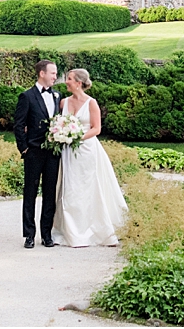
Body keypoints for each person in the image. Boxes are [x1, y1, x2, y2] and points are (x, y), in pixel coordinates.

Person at [51, 68, 128, 247]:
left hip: (87, 151)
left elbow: (96, 128)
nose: (66, 82)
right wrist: (62, 134)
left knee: (89, 187)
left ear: (79, 83)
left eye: (69, 79)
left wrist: (76, 137)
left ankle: (95, 230)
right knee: (70, 188)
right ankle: (71, 231)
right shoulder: (63, 102)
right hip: (68, 152)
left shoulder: (91, 103)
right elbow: (58, 122)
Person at [13, 59, 61, 249]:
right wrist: (24, 148)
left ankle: (46, 234)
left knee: (50, 193)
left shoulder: (57, 96)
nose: (55, 77)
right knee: (30, 193)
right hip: (33, 152)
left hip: (53, 153)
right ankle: (29, 235)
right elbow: (19, 124)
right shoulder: (27, 96)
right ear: (42, 73)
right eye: (53, 73)